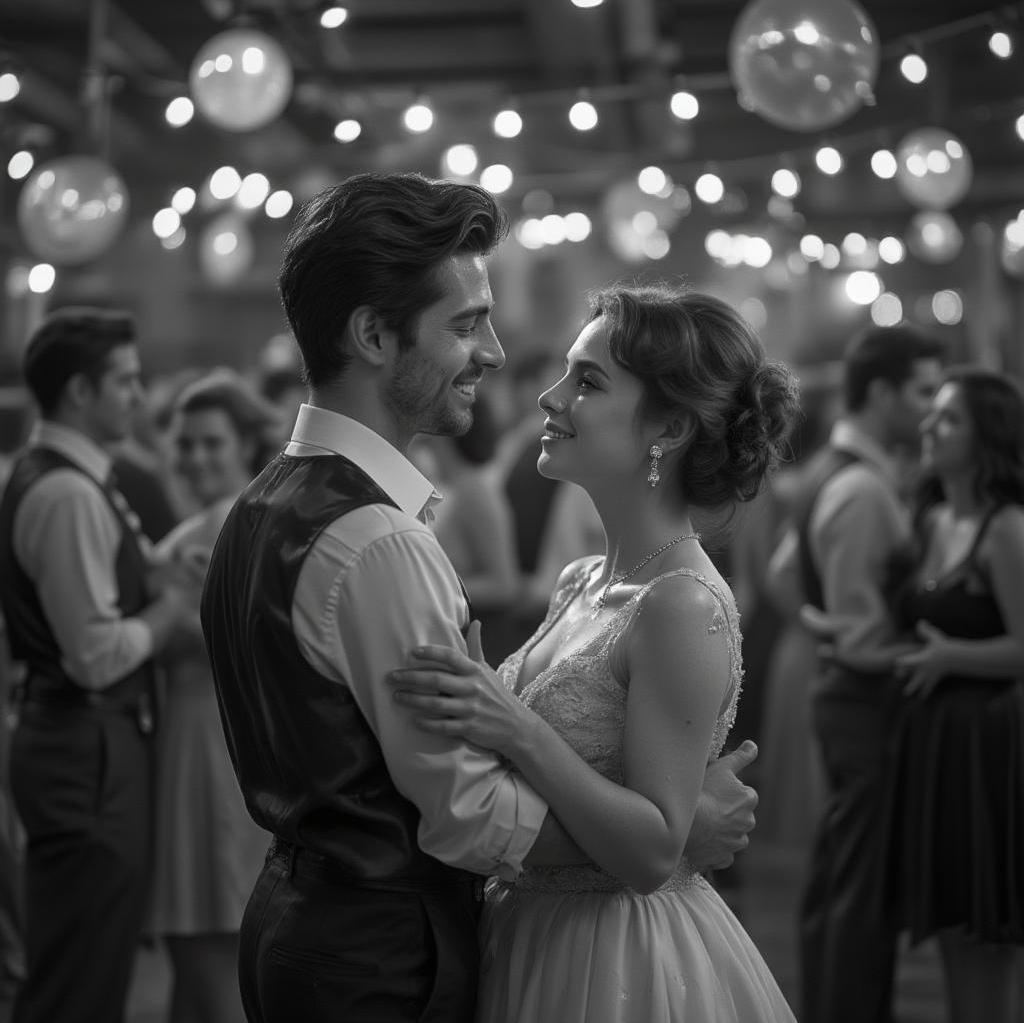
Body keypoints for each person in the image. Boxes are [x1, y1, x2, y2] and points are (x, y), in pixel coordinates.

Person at [199, 172, 761, 1023]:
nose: (501, 357)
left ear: (669, 431)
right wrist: (673, 840)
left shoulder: (265, 503)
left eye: (588, 381)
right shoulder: (381, 540)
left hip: (350, 925)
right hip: (382, 954)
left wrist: (658, 837)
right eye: (465, 324)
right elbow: (468, 812)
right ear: (373, 336)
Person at [388, 283, 801, 1022]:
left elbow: (650, 853)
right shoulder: (583, 579)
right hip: (528, 930)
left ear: (667, 429)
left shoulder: (681, 604)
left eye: (588, 381)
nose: (549, 397)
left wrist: (514, 727)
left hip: (614, 960)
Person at [0, 307, 201, 1023]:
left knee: (92, 956)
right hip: (86, 741)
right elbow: (93, 655)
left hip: (88, 740)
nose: (140, 397)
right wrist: (170, 611)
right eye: (125, 381)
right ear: (80, 393)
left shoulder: (73, 478)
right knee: (79, 971)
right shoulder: (66, 493)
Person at [779, 324, 944, 1023]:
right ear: (881, 394)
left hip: (847, 691)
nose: (934, 410)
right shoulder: (864, 488)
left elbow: (786, 575)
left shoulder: (834, 470)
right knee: (860, 887)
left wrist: (822, 624)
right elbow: (864, 636)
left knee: (848, 876)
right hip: (866, 699)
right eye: (924, 392)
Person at [883, 368, 1024, 1023]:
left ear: (988, 434)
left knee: (985, 931)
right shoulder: (935, 517)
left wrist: (951, 657)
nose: (929, 429)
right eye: (931, 415)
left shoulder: (1006, 528)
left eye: (950, 419)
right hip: (935, 742)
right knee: (949, 925)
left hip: (987, 749)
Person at [151, 371, 279, 1023]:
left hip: (216, 745)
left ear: (246, 445)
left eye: (211, 443)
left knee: (213, 938)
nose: (196, 457)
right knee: (194, 946)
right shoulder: (198, 531)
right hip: (191, 739)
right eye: (185, 443)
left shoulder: (238, 526)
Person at [413, 391, 521, 663]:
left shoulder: (476, 492)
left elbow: (504, 584)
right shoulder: (446, 487)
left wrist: (429, 591)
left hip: (479, 648)